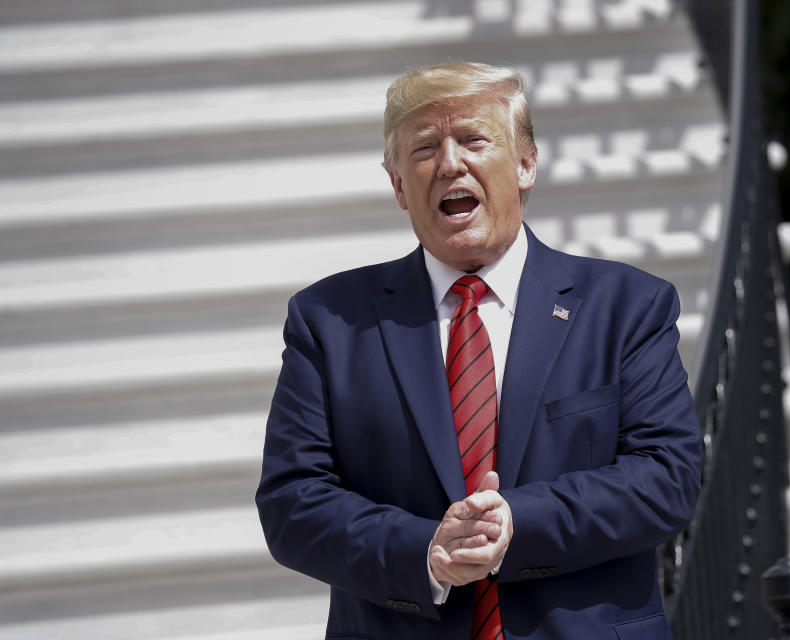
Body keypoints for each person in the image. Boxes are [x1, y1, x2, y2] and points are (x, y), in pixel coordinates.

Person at [256, 61, 702, 640]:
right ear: (397, 186)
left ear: (525, 164)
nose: (449, 163)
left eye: (473, 139)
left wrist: (516, 523)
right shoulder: (331, 322)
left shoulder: (625, 306)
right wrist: (427, 551)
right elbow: (292, 503)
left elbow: (667, 476)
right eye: (424, 149)